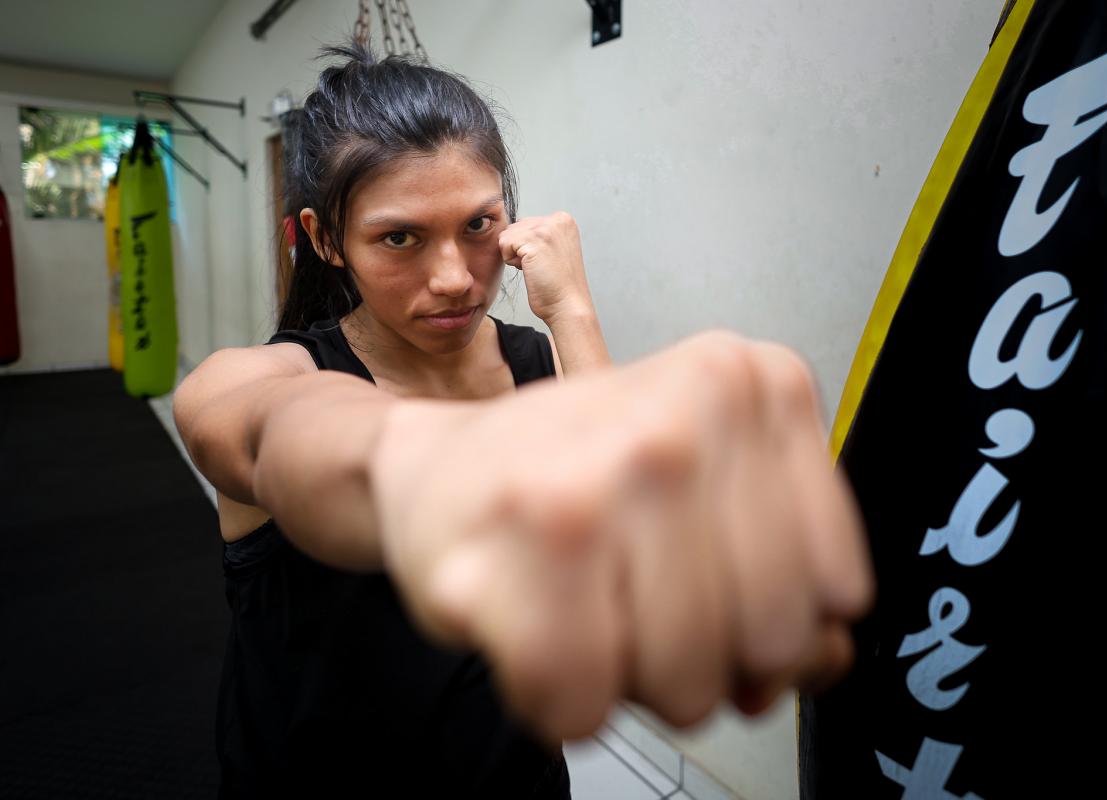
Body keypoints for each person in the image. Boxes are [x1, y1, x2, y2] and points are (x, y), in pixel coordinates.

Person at [174, 41, 873, 798]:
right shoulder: (266, 378)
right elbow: (279, 433)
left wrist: (573, 307)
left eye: (477, 226)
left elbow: (618, 510)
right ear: (322, 239)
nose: (453, 279)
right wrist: (461, 459)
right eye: (399, 238)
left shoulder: (534, 358)